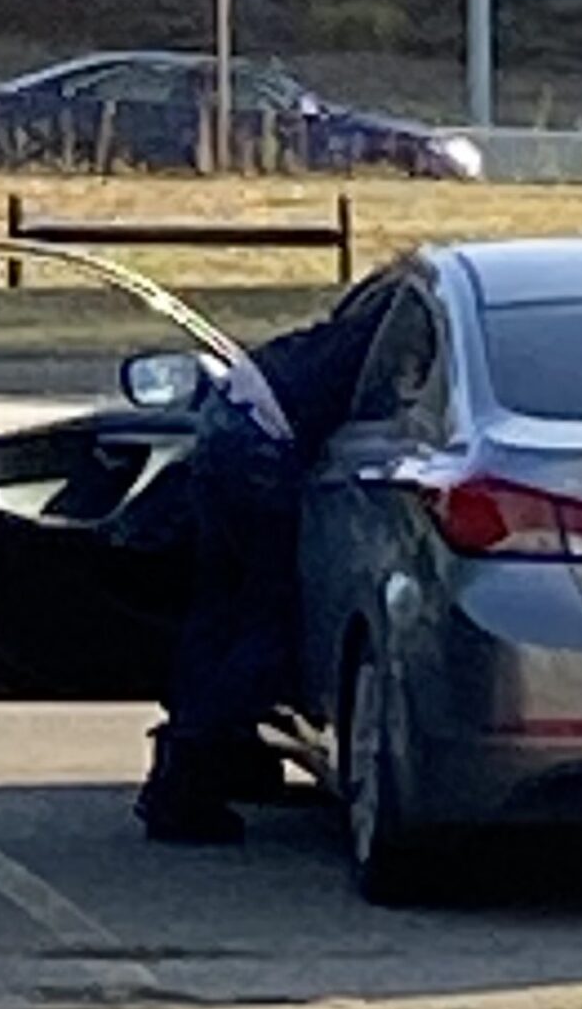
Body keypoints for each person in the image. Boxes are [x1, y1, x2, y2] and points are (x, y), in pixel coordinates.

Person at [135, 267, 432, 844]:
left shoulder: (355, 327)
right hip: (265, 445)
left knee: (219, 607)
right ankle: (193, 772)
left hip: (233, 412)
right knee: (270, 621)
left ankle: (205, 759)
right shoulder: (399, 345)